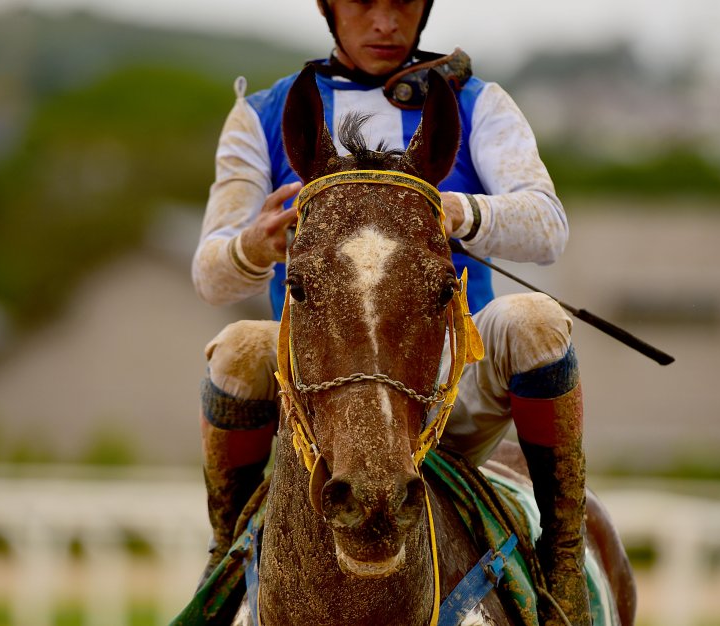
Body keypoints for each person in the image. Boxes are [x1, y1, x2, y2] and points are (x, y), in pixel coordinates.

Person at [192, 1, 590, 623]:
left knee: (535, 321)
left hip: (451, 378)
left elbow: (548, 226)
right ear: (328, 7)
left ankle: (563, 560)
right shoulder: (260, 116)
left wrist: (457, 211)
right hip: (318, 396)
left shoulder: (479, 104)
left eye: (402, 2)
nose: (384, 22)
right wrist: (253, 245)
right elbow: (209, 275)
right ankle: (225, 559)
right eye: (363, 2)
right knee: (240, 347)